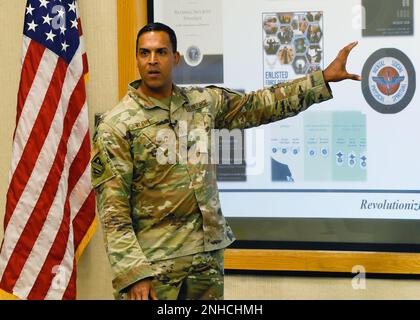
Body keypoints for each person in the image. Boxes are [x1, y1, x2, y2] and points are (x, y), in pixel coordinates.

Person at [91, 22, 361, 300]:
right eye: (144, 53)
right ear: (136, 58)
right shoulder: (117, 125)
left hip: (206, 259)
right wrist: (134, 274)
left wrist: (322, 79)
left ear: (175, 58)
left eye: (160, 52)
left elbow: (258, 105)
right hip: (154, 267)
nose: (152, 61)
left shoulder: (201, 103)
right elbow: (114, 212)